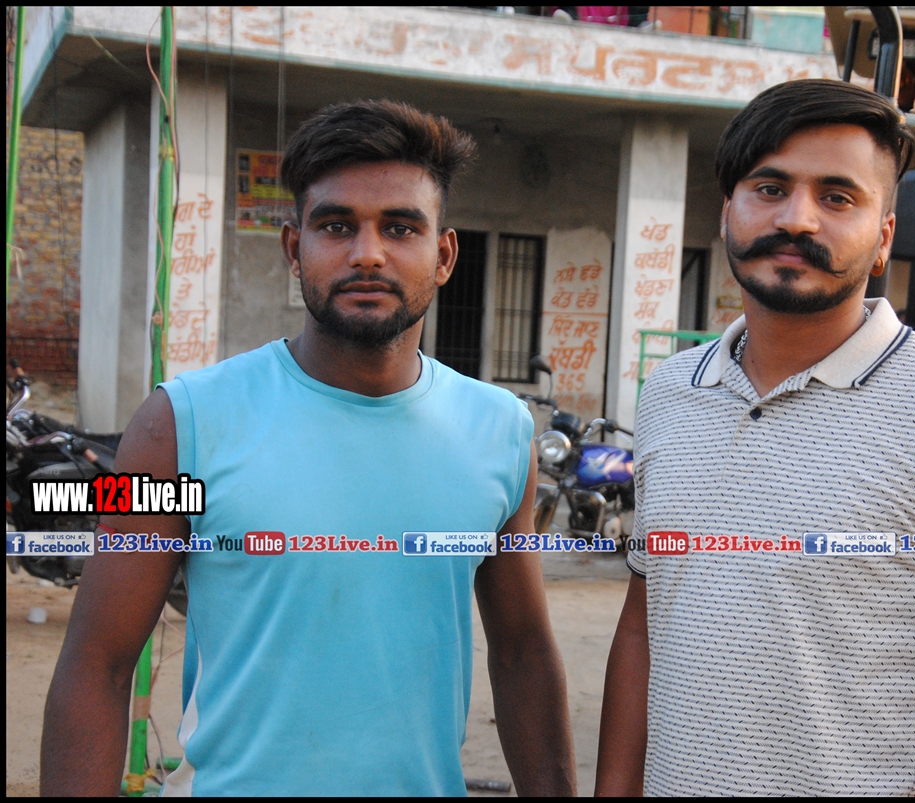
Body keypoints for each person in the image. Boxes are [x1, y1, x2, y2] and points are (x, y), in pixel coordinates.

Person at [41, 100, 576, 796]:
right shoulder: (175, 425)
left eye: (400, 227)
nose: (367, 253)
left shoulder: (501, 431)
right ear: (295, 249)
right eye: (336, 225)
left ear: (444, 255)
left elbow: (524, 653)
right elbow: (98, 664)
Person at [595, 79, 915, 796]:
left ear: (883, 238)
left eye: (837, 197)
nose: (797, 218)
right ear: (727, 210)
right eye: (770, 188)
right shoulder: (672, 393)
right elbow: (646, 626)